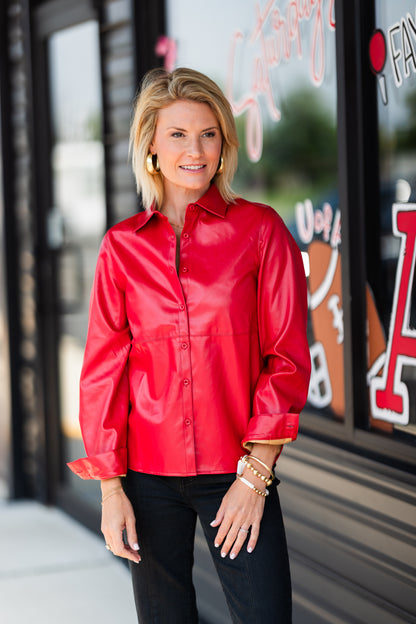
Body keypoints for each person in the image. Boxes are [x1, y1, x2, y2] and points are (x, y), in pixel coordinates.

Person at [68, 67, 311, 624]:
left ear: (224, 142)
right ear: (151, 144)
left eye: (208, 133)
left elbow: (287, 359)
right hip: (146, 480)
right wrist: (111, 490)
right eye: (177, 134)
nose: (194, 150)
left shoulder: (260, 231)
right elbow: (103, 371)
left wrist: (257, 475)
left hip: (239, 470)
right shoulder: (120, 248)